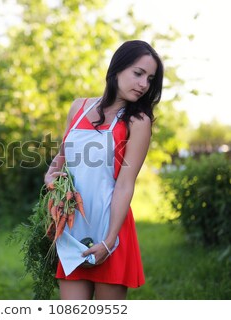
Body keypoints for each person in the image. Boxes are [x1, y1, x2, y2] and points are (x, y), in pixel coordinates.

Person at [44, 40, 163, 300]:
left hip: (111, 230)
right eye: (138, 73)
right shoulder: (79, 107)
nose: (144, 84)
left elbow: (125, 184)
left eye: (150, 79)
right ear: (117, 69)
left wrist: (109, 242)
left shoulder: (138, 122)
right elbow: (61, 157)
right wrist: (50, 175)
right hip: (72, 226)